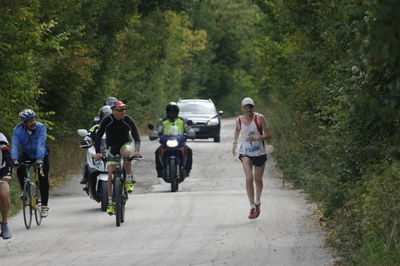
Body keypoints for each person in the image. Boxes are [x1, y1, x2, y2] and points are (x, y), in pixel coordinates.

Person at [94, 101, 141, 215]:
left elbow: (136, 137)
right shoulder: (107, 120)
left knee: (126, 153)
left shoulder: (128, 120)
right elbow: (98, 137)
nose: (122, 112)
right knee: (110, 173)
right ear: (113, 111)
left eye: (124, 110)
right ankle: (110, 203)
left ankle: (128, 180)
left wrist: (137, 152)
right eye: (120, 110)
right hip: (112, 148)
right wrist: (98, 153)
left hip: (125, 144)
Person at [232, 97, 271, 219]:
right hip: (245, 153)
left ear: (253, 107)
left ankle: (258, 201)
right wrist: (234, 144)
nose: (248, 109)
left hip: (259, 152)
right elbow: (237, 130)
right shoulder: (239, 120)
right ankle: (252, 206)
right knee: (249, 177)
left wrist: (257, 138)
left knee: (258, 180)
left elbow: (268, 135)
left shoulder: (259, 118)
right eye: (246, 107)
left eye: (250, 107)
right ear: (242, 108)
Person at [11, 109, 50, 218]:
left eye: (33, 119)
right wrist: (14, 159)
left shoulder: (41, 127)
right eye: (30, 121)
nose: (33, 122)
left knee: (43, 178)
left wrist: (39, 159)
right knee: (19, 169)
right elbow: (15, 145)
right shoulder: (17, 130)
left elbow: (41, 144)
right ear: (24, 123)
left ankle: (44, 206)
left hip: (42, 155)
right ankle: (26, 192)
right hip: (27, 153)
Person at [150, 102, 195, 177]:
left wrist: (191, 133)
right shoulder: (162, 121)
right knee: (157, 151)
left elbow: (188, 128)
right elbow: (158, 129)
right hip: (166, 143)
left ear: (177, 112)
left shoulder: (182, 120)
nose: (172, 113)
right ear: (167, 112)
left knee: (189, 150)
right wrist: (154, 133)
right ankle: (160, 171)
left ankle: (187, 170)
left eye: (174, 111)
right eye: (170, 111)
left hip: (180, 143)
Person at [80, 105, 112, 184]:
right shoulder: (96, 126)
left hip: (112, 151)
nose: (106, 118)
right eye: (105, 116)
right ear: (101, 116)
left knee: (125, 159)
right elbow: (89, 134)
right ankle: (86, 177)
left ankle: (127, 179)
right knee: (88, 158)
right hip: (98, 150)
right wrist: (86, 140)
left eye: (109, 116)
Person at [0, 132, 12, 239]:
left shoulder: (1, 137)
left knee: (4, 195)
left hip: (1, 171)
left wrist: (8, 174)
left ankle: (4, 224)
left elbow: (7, 157)